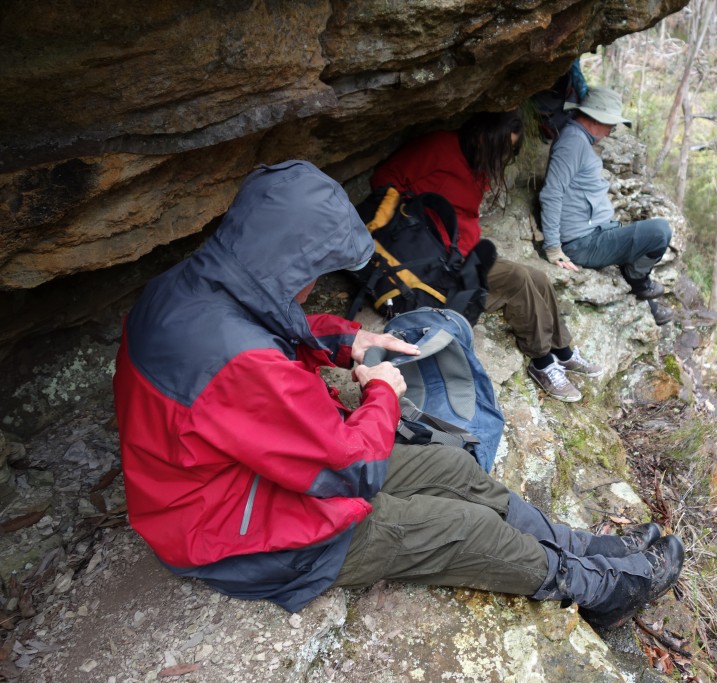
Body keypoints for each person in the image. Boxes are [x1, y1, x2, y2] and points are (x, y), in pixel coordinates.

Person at [113, 160, 685, 628]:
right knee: (467, 530)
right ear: (286, 257)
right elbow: (351, 466)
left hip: (233, 480)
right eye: (315, 269)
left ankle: (580, 547)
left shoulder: (189, 289)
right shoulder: (239, 362)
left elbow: (267, 323)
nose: (314, 283)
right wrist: (382, 391)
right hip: (240, 534)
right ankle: (603, 590)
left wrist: (347, 339)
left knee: (451, 470)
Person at [371, 112, 600, 403]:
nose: (503, 156)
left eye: (510, 150)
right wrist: (414, 225)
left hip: (463, 258)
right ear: (481, 136)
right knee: (518, 281)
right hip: (431, 268)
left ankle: (563, 351)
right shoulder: (439, 148)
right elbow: (383, 180)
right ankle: (542, 362)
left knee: (538, 277)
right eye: (501, 147)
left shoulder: (478, 163)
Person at [539, 86, 674, 326]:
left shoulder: (579, 139)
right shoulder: (572, 142)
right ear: (595, 119)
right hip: (582, 242)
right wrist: (552, 248)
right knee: (659, 232)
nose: (612, 131)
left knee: (639, 236)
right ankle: (639, 281)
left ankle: (648, 302)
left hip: (597, 232)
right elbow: (552, 192)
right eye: (611, 124)